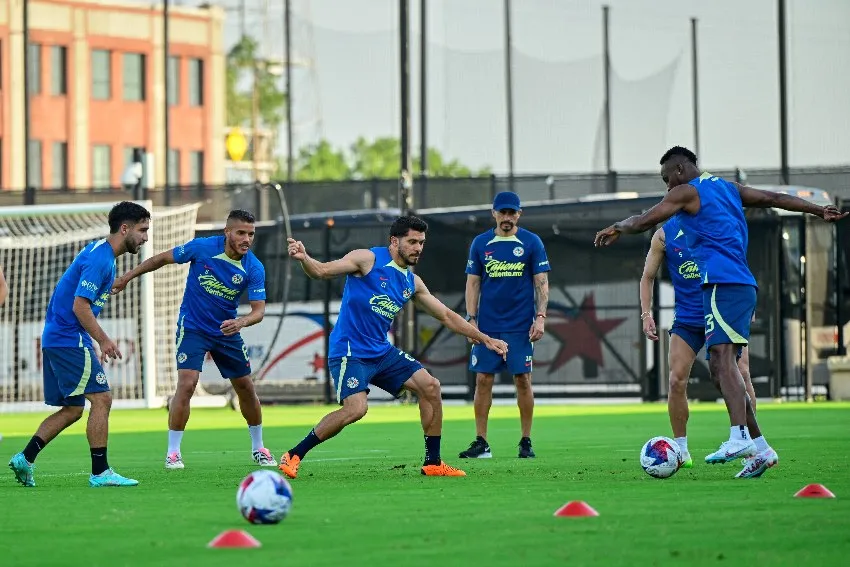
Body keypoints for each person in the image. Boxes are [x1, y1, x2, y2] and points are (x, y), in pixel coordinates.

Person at [595, 146, 847, 478]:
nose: (667, 186)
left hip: (722, 283)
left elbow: (644, 220)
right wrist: (816, 210)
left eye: (667, 178)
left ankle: (739, 436)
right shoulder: (729, 189)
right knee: (718, 368)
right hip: (738, 285)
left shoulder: (688, 191)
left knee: (725, 362)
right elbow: (774, 198)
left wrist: (617, 226)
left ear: (680, 169)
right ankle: (762, 449)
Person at [278, 215, 509, 478]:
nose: (418, 248)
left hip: (381, 352)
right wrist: (305, 259)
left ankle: (433, 462)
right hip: (350, 352)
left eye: (421, 242)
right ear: (394, 241)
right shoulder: (367, 259)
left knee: (431, 387)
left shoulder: (412, 282)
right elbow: (320, 271)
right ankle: (294, 454)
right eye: (412, 242)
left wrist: (485, 338)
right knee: (356, 409)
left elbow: (446, 316)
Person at [112, 209, 275, 469]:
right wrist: (127, 277)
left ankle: (259, 447)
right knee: (187, 384)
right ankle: (173, 452)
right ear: (227, 232)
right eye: (241, 233)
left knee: (245, 387)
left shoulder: (253, 267)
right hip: (193, 328)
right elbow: (162, 259)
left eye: (251, 234)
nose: (247, 239)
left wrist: (241, 322)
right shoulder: (202, 248)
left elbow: (259, 311)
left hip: (226, 331)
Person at [8, 201, 151, 487]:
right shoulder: (101, 260)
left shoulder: (100, 252)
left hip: (57, 337)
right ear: (125, 228)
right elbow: (80, 306)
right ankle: (100, 472)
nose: (146, 237)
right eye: (143, 230)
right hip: (68, 338)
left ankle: (25, 458)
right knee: (102, 399)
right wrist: (103, 339)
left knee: (73, 409)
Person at [640, 215, 764, 468]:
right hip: (688, 318)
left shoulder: (715, 223)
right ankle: (681, 450)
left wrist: (746, 304)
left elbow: (739, 263)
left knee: (741, 373)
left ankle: (751, 446)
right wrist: (646, 314)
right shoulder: (663, 235)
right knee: (676, 379)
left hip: (721, 312)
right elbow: (647, 277)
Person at [458, 191, 550, 459]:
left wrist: (541, 317)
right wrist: (471, 320)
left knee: (523, 379)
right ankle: (481, 442)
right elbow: (473, 282)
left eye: (512, 212)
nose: (507, 217)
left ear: (519, 214)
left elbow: (541, 282)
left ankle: (526, 441)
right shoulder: (481, 243)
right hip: (487, 326)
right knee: (483, 379)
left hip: (520, 326)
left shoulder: (531, 242)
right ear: (494, 213)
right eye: (503, 212)